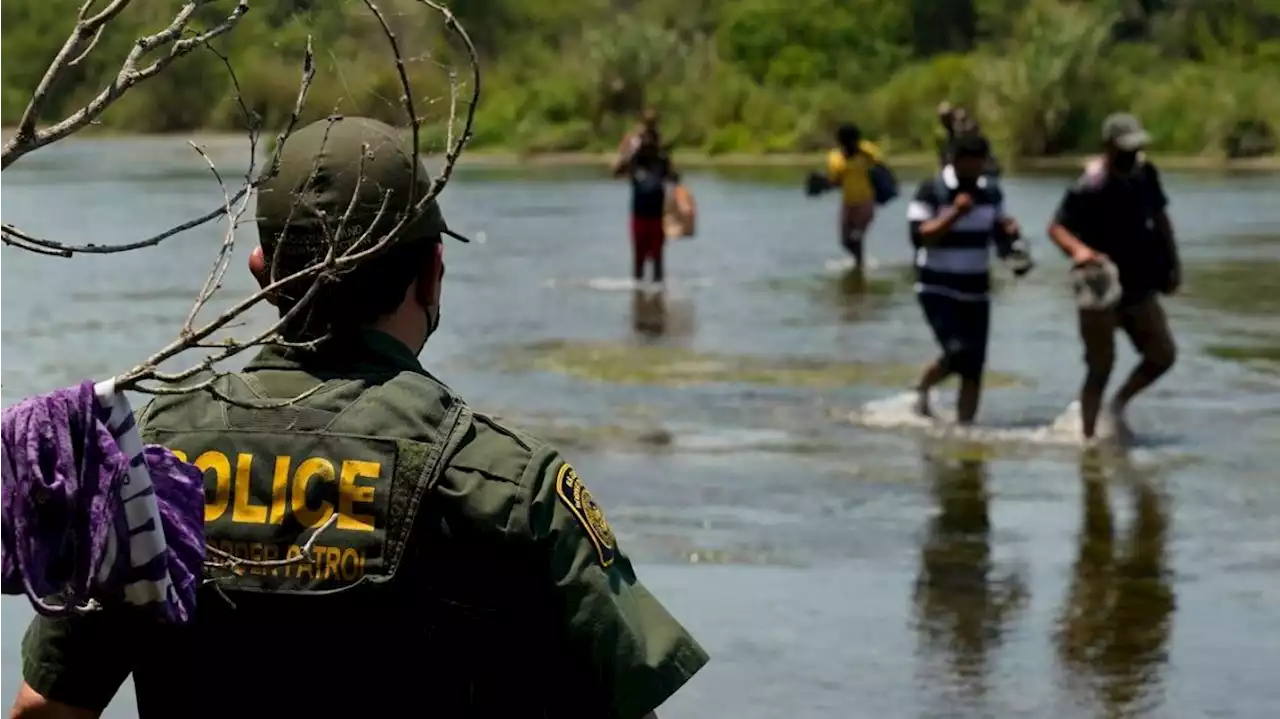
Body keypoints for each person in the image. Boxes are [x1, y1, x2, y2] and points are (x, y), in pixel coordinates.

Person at [11, 116, 708, 719]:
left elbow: (49, 706)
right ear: (433, 273)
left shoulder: (141, 465)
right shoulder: (506, 484)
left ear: (261, 272)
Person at [1047, 112, 1180, 442]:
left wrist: (1173, 264)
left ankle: (1118, 405)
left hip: (1139, 282)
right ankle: (1089, 441)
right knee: (1100, 367)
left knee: (1162, 355)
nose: (1132, 156)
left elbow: (1162, 219)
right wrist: (1079, 251)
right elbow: (1056, 228)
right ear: (1108, 147)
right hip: (1099, 284)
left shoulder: (1146, 175)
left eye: (1136, 149)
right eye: (1125, 150)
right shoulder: (1088, 186)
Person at [907, 133, 1029, 423]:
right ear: (955, 160)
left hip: (976, 289)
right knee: (958, 353)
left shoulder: (991, 192)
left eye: (980, 162)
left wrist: (1011, 240)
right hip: (937, 287)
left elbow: (998, 237)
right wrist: (955, 214)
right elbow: (919, 237)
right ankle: (922, 388)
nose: (975, 169)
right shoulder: (931, 190)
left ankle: (965, 429)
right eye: (970, 163)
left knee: (974, 366)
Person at [805, 123, 887, 272]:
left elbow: (880, 166)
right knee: (845, 241)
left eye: (854, 142)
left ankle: (860, 265)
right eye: (847, 143)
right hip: (848, 204)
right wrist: (822, 183)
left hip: (866, 201)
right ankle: (859, 265)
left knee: (856, 237)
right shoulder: (835, 158)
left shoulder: (867, 152)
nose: (851, 145)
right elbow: (836, 182)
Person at [612, 118, 680, 285]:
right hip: (639, 216)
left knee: (657, 259)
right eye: (644, 137)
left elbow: (675, 178)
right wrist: (627, 151)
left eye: (651, 137)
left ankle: (658, 291)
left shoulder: (661, 160)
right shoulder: (634, 160)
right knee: (639, 259)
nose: (647, 141)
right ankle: (638, 294)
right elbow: (615, 171)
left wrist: (666, 156)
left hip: (656, 217)